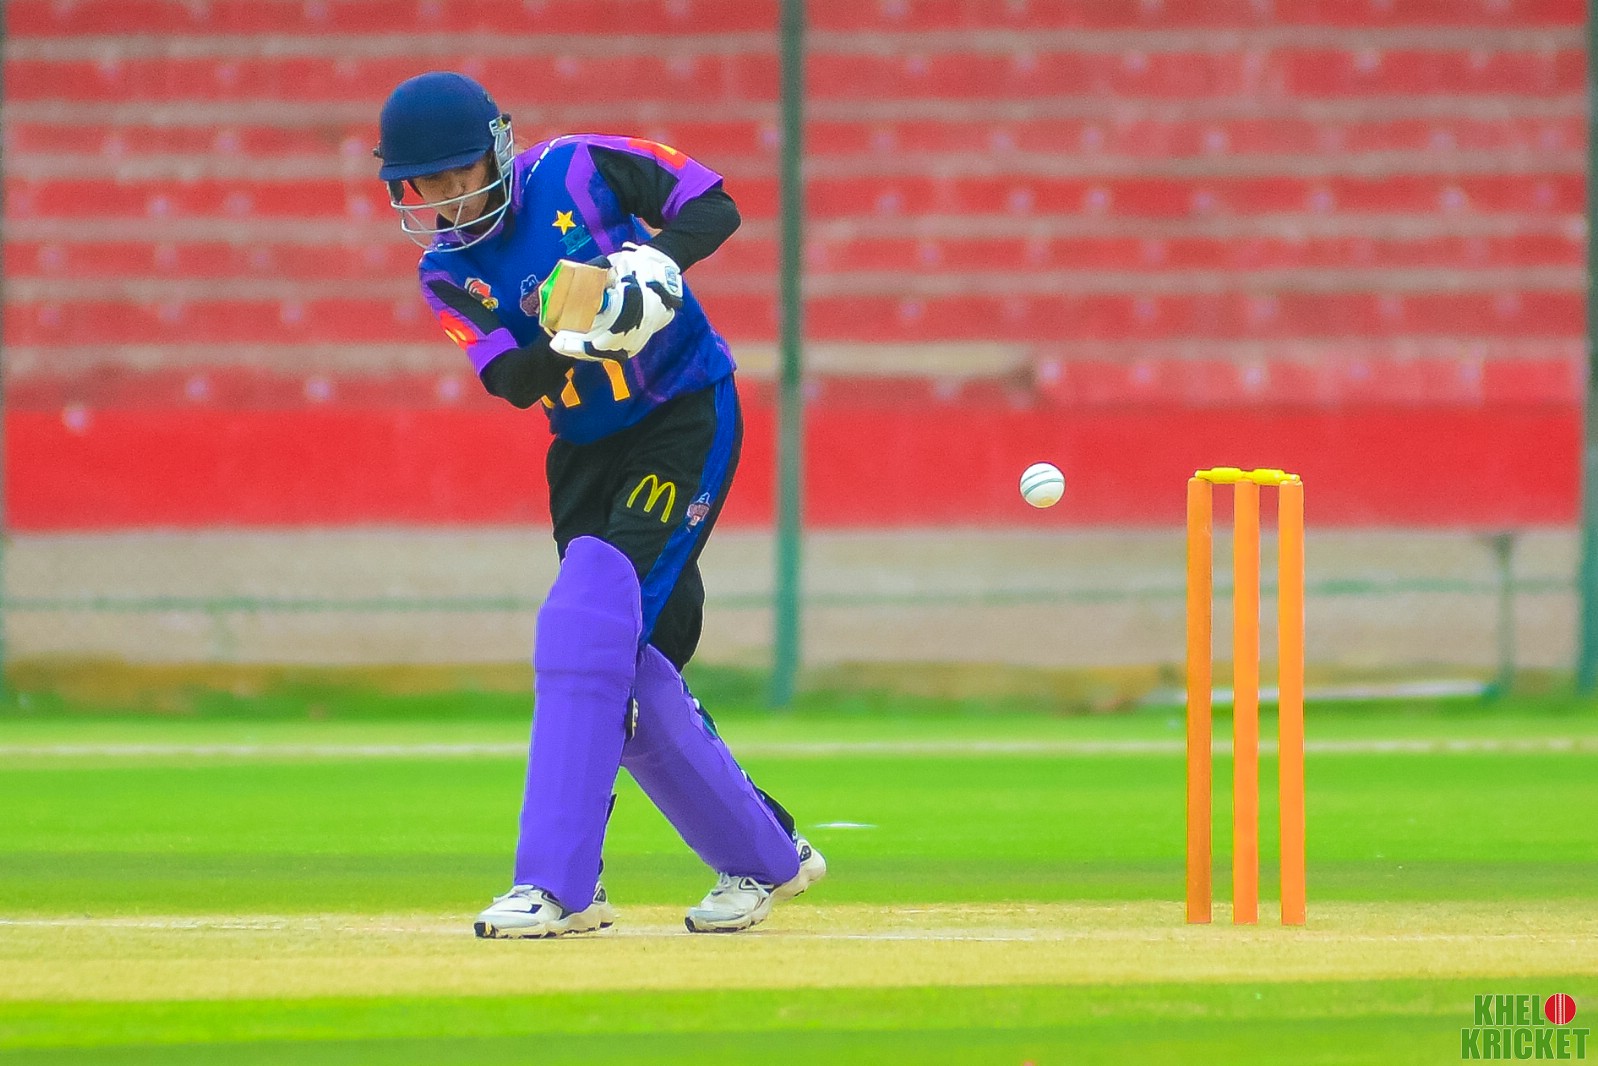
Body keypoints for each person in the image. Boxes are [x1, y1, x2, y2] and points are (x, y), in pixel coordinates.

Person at [373, 71, 824, 937]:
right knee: (632, 659)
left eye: (457, 172)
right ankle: (768, 850)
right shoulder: (445, 270)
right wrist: (579, 336)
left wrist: (654, 264)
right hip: (583, 452)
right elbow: (511, 380)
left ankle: (559, 885)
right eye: (424, 184)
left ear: (497, 149)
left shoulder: (579, 167)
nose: (446, 197)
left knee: (592, 636)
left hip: (681, 414)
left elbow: (714, 204)